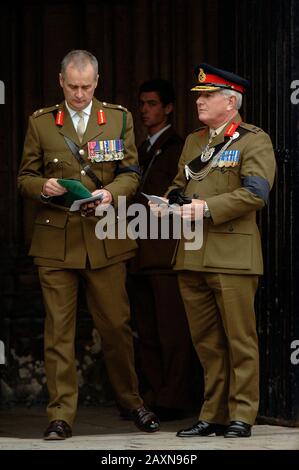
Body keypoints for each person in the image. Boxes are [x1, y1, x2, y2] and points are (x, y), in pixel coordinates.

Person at [17, 49, 160, 439]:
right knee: (58, 331)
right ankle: (60, 414)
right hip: (56, 240)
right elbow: (24, 176)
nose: (79, 94)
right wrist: (41, 186)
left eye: (86, 86)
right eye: (73, 86)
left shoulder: (118, 118)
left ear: (97, 83)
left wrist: (111, 195)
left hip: (105, 236)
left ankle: (132, 401)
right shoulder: (41, 123)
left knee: (115, 325)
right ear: (61, 82)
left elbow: (131, 173)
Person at [157, 63, 276, 437]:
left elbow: (255, 194)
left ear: (231, 102)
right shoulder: (195, 142)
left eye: (207, 96)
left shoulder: (253, 140)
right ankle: (214, 414)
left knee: (239, 340)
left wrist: (206, 208)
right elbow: (179, 185)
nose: (199, 102)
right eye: (199, 96)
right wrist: (168, 202)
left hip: (232, 257)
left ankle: (242, 414)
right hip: (192, 253)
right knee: (206, 343)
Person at [128, 79, 199, 420]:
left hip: (166, 253)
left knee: (173, 332)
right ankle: (155, 394)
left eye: (152, 104)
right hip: (140, 253)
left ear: (169, 107)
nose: (145, 110)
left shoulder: (179, 147)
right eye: (142, 104)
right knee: (148, 331)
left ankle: (175, 398)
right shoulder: (142, 148)